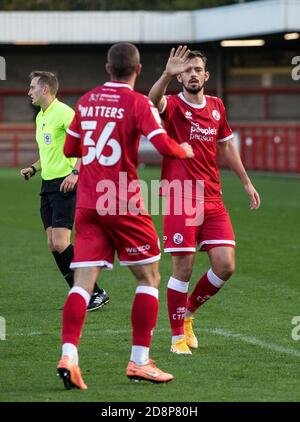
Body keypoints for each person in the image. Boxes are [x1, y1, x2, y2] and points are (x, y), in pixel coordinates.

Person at [56, 42, 194, 390]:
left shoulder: (86, 101)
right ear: (137, 69)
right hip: (122, 200)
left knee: (82, 283)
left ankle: (69, 355)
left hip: (88, 202)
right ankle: (139, 361)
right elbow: (164, 147)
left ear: (107, 68)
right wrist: (184, 148)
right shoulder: (137, 103)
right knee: (148, 279)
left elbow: (70, 149)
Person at [149, 45, 261, 354]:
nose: (192, 74)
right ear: (180, 76)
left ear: (205, 75)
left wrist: (246, 182)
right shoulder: (172, 104)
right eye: (187, 70)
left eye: (197, 69)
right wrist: (166, 75)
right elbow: (151, 101)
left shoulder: (216, 106)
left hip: (212, 198)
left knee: (225, 265)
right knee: (182, 269)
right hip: (179, 198)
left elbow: (226, 147)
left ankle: (188, 315)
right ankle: (176, 339)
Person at [20, 71, 109, 312]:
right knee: (52, 243)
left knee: (61, 241)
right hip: (47, 185)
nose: (29, 92)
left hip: (65, 183)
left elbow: (86, 144)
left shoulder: (65, 113)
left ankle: (94, 292)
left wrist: (76, 173)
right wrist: (33, 168)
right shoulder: (41, 116)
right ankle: (81, 294)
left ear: (45, 89)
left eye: (32, 88)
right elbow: (48, 152)